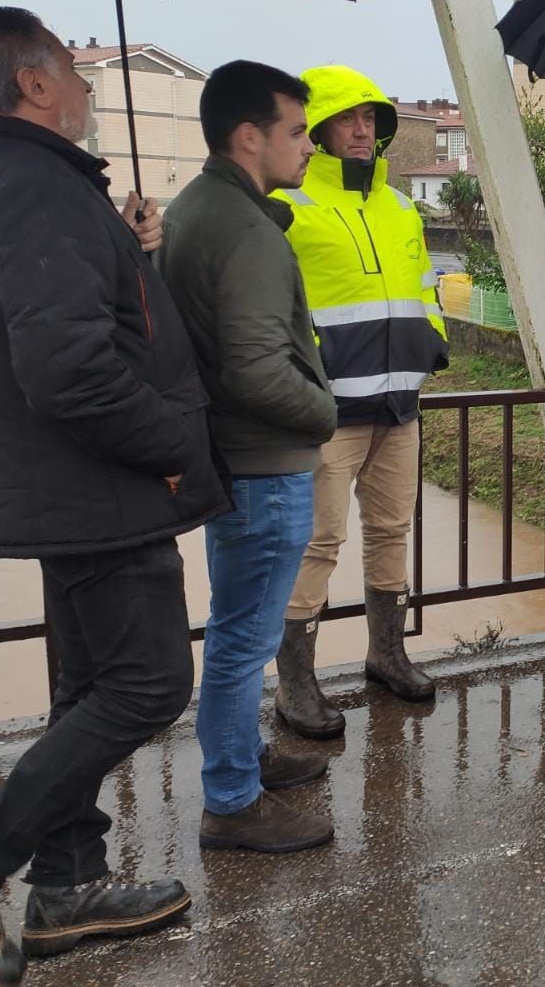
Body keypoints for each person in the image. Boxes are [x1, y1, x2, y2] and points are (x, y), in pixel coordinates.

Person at [0, 6, 225, 986]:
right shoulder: (33, 187)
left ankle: (67, 885)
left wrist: (127, 250)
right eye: (75, 77)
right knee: (148, 684)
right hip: (98, 484)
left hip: (68, 483)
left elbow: (75, 325)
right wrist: (174, 448)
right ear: (34, 85)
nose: (88, 91)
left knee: (89, 686)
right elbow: (69, 373)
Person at [157, 61, 339, 853]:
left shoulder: (193, 210)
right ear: (248, 136)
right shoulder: (246, 230)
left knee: (236, 628)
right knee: (240, 640)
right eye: (297, 132)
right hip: (264, 466)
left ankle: (242, 759)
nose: (308, 147)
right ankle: (231, 801)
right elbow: (259, 369)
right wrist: (326, 411)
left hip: (227, 459)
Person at [270, 65, 449, 738]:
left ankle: (386, 653)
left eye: (371, 119)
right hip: (328, 413)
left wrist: (432, 344)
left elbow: (424, 286)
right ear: (316, 130)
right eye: (348, 118)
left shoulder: (400, 206)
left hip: (399, 405)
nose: (361, 130)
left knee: (390, 532)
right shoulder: (289, 206)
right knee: (316, 543)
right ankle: (295, 684)